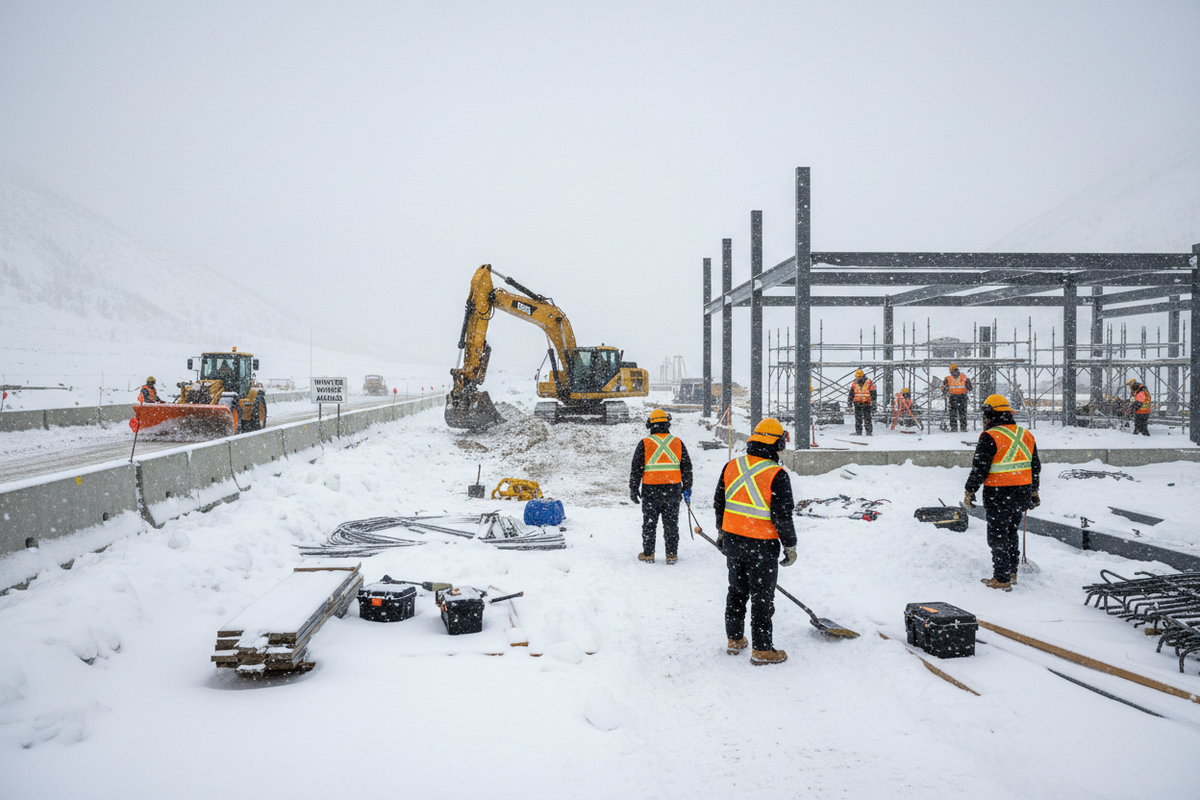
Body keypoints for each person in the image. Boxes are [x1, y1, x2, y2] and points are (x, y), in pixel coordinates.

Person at [713, 417, 797, 665]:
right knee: (762, 597)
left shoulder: (732, 466)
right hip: (761, 546)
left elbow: (720, 502)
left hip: (733, 542)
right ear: (777, 444)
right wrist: (790, 545)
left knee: (736, 592)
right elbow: (782, 515)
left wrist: (721, 532)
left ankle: (735, 639)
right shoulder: (777, 474)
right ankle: (762, 649)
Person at [963, 394, 1041, 591]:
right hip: (1021, 493)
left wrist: (970, 490)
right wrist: (1034, 490)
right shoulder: (1025, 434)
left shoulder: (991, 436)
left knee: (997, 535)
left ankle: (1001, 578)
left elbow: (980, 467)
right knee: (1011, 531)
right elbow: (1035, 466)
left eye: (985, 415)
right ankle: (1011, 571)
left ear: (990, 415)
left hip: (998, 493)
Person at [629, 409, 693, 564]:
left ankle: (648, 554)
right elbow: (686, 466)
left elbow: (636, 468)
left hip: (651, 490)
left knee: (649, 523)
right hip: (673, 489)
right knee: (671, 523)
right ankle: (671, 555)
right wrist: (687, 487)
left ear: (650, 424)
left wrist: (633, 488)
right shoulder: (677, 442)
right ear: (667, 423)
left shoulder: (645, 444)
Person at [941, 364, 973, 432]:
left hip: (955, 398)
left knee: (954, 414)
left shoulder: (948, 378)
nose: (952, 373)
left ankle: (955, 428)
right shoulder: (963, 377)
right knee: (961, 413)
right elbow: (970, 388)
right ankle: (962, 428)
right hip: (961, 397)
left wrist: (945, 390)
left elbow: (943, 388)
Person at [847, 369, 876, 436]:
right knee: (858, 418)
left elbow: (873, 394)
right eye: (857, 377)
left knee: (867, 418)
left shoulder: (869, 382)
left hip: (866, 403)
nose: (858, 378)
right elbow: (851, 393)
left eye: (859, 377)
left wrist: (873, 403)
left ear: (863, 376)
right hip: (857, 403)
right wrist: (850, 402)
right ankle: (858, 432)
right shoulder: (855, 383)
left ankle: (869, 432)